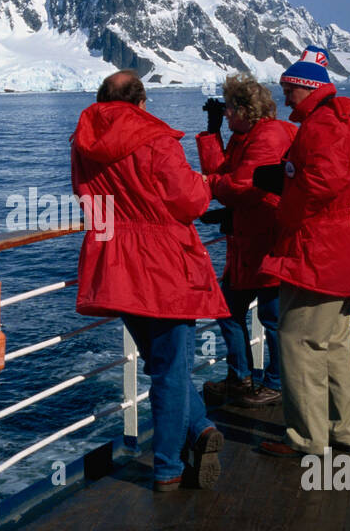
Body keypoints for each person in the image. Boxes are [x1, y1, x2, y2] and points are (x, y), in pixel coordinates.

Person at [71, 70, 231, 492]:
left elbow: (82, 191)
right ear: (141, 103)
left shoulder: (85, 139)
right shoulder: (156, 138)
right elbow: (191, 201)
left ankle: (199, 429)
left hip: (114, 261)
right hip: (164, 264)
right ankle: (167, 468)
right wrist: (204, 182)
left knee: (164, 363)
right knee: (170, 367)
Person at [251, 46, 350, 457]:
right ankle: (342, 429)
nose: (284, 99)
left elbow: (321, 183)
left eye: (288, 90)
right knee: (333, 342)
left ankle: (307, 440)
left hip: (319, 250)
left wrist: (286, 202)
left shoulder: (321, 125)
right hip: (347, 245)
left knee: (298, 342)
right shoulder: (345, 121)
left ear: (306, 88)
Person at [196, 74, 297, 407]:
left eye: (227, 109)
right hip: (248, 241)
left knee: (271, 318)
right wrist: (213, 134)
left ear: (243, 108)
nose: (225, 113)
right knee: (228, 310)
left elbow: (242, 186)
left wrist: (207, 186)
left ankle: (275, 383)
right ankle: (241, 378)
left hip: (268, 240)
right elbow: (226, 173)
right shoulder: (248, 135)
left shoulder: (269, 136)